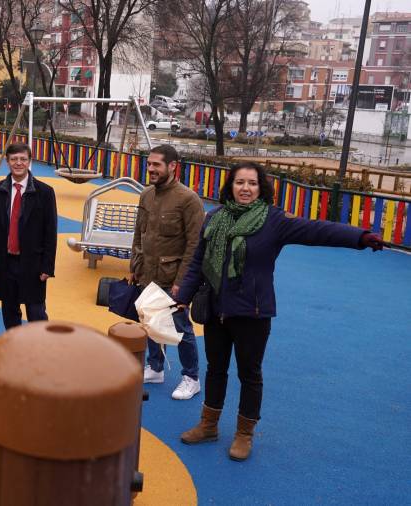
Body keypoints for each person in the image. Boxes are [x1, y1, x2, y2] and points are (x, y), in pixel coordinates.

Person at [175, 161, 384, 461]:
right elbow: (198, 260)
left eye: (252, 183)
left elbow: (317, 230)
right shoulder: (215, 217)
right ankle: (208, 425)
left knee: (250, 374)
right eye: (239, 182)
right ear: (230, 186)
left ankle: (244, 434)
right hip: (217, 310)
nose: (245, 188)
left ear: (261, 188)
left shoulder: (273, 220)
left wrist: (360, 237)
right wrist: (184, 295)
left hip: (253, 314)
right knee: (215, 369)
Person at [129, 144, 205, 400]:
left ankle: (191, 377)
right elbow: (139, 234)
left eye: (156, 165)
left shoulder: (188, 200)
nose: (150, 169)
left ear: (172, 166)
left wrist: (182, 282)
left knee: (181, 327)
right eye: (149, 164)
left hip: (172, 276)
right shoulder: (146, 195)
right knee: (149, 322)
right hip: (147, 273)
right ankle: (156, 367)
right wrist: (134, 267)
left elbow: (195, 244)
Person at [0, 142, 57, 329]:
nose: (18, 163)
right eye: (14, 159)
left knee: (36, 312)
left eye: (23, 159)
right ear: (7, 161)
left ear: (29, 161)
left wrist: (47, 265)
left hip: (33, 263)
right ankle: (16, 351)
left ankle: (39, 352)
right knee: (10, 312)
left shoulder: (44, 192)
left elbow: (50, 232)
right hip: (5, 262)